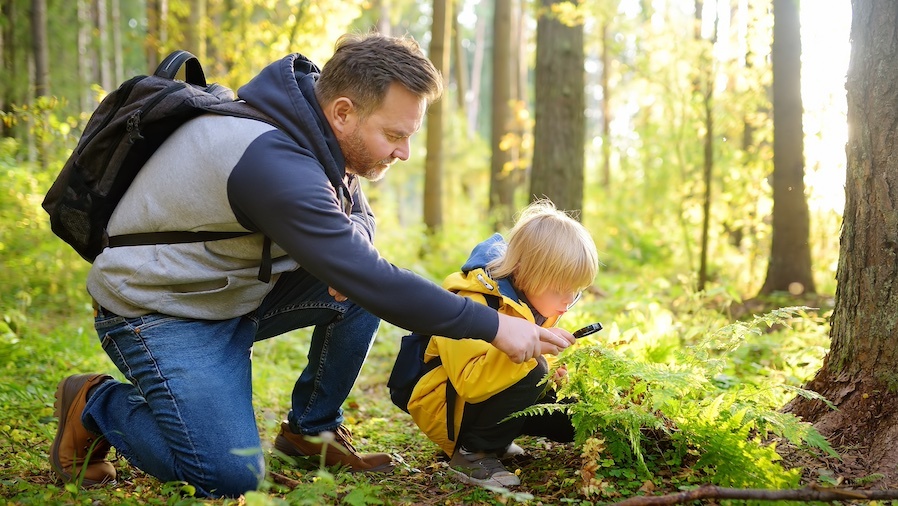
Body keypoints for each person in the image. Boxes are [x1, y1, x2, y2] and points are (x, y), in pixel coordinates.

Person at [48, 33, 575, 498]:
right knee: (227, 478)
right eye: (394, 135)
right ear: (343, 111)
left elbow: (359, 232)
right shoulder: (272, 161)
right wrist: (493, 325)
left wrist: (346, 264)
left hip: (231, 291)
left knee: (361, 289)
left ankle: (311, 432)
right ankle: (94, 404)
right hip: (160, 311)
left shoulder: (315, 135)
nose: (405, 152)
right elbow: (370, 276)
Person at [402, 200, 599, 488]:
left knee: (570, 414)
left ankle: (495, 439)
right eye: (560, 289)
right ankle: (472, 454)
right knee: (533, 371)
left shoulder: (533, 301)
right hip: (446, 408)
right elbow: (471, 382)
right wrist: (537, 355)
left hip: (483, 398)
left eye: (576, 291)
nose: (568, 301)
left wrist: (557, 371)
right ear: (523, 272)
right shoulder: (472, 302)